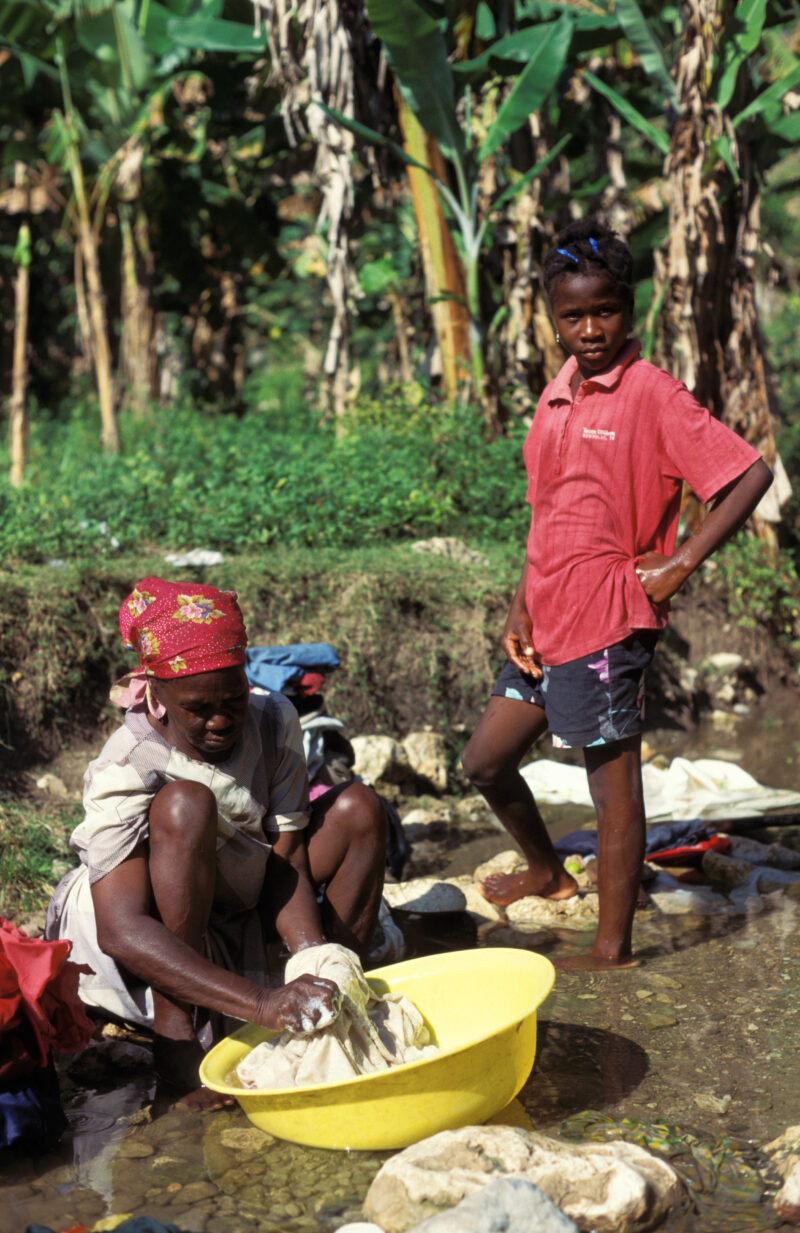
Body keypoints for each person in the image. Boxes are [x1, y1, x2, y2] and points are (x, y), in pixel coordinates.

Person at [461, 217, 773, 971]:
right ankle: (546, 871)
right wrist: (520, 605)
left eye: (604, 311)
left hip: (609, 617)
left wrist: (679, 563)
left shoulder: (652, 394)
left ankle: (613, 949)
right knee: (485, 762)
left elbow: (749, 473)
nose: (590, 329)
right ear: (552, 315)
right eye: (573, 315)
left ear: (627, 310)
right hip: (547, 616)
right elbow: (550, 511)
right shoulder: (556, 394)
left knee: (614, 789)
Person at [46, 578, 387, 1107]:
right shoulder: (128, 762)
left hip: (239, 893)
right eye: (199, 709)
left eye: (233, 699)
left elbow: (286, 855)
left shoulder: (273, 718)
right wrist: (261, 1002)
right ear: (156, 698)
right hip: (148, 934)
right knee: (187, 803)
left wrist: (311, 960)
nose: (222, 720)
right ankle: (178, 1036)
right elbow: (120, 930)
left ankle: (343, 1000)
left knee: (358, 808)